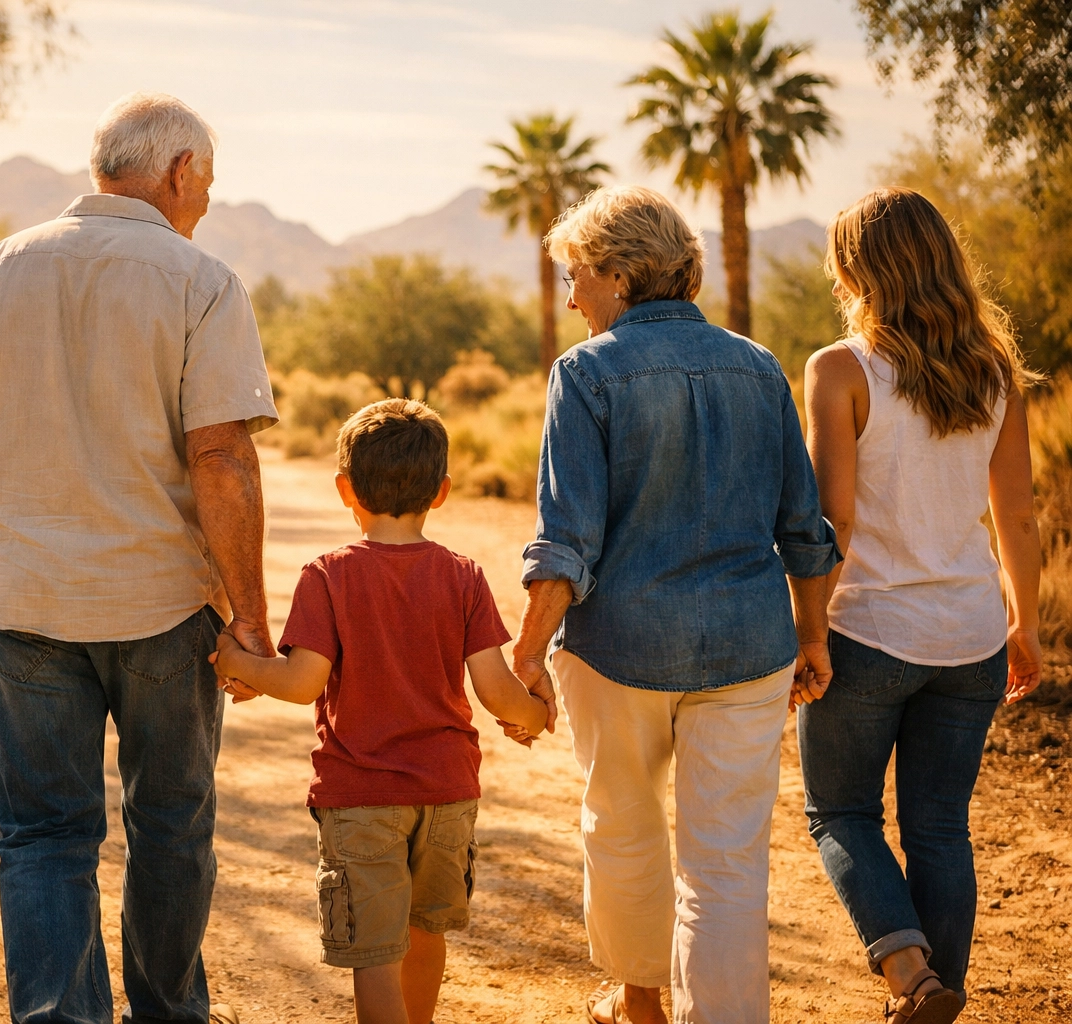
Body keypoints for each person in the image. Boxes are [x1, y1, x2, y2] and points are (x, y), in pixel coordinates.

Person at [0, 91, 277, 1024]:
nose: (203, 201)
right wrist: (250, 615)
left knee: (41, 836)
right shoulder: (200, 281)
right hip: (163, 608)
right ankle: (165, 1011)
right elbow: (223, 458)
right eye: (206, 183)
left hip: (25, 604)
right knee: (170, 826)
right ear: (180, 172)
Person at [506, 185, 840, 1024]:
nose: (572, 295)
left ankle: (641, 1001)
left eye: (578, 275)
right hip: (749, 649)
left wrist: (525, 654)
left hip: (620, 651)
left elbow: (567, 539)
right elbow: (803, 524)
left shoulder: (585, 373)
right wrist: (811, 635)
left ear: (619, 275)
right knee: (725, 863)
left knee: (622, 827)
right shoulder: (758, 366)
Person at [211, 399, 549, 1024]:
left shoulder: (329, 575)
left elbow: (303, 682)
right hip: (447, 795)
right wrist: (532, 714)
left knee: (374, 951)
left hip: (362, 796)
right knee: (425, 934)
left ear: (345, 490)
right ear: (442, 492)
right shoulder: (464, 576)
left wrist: (240, 664)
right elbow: (495, 690)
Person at [798, 187, 1043, 1024]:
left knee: (840, 811)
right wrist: (1026, 623)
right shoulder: (994, 371)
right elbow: (1017, 513)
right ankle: (942, 997)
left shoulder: (841, 369)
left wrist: (807, 632)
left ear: (853, 268)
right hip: (970, 636)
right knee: (940, 826)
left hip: (867, 630)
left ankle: (915, 980)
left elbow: (835, 519)